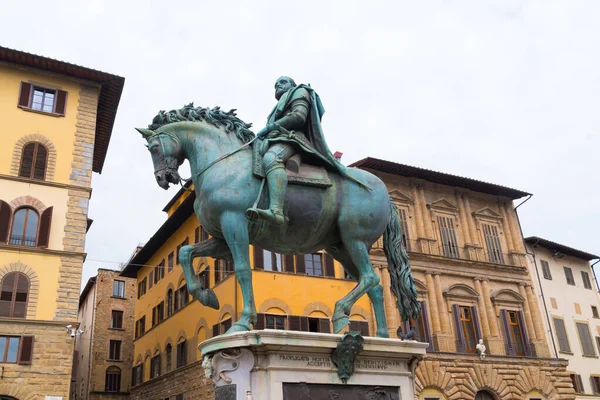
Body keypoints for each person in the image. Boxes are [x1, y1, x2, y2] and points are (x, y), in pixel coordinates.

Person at [247, 76, 367, 225]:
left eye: (282, 82)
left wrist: (271, 126)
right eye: (275, 84)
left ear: (292, 85)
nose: (278, 85)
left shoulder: (299, 92)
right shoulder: (278, 105)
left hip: (292, 139)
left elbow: (299, 116)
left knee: (271, 158)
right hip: (275, 139)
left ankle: (276, 210)